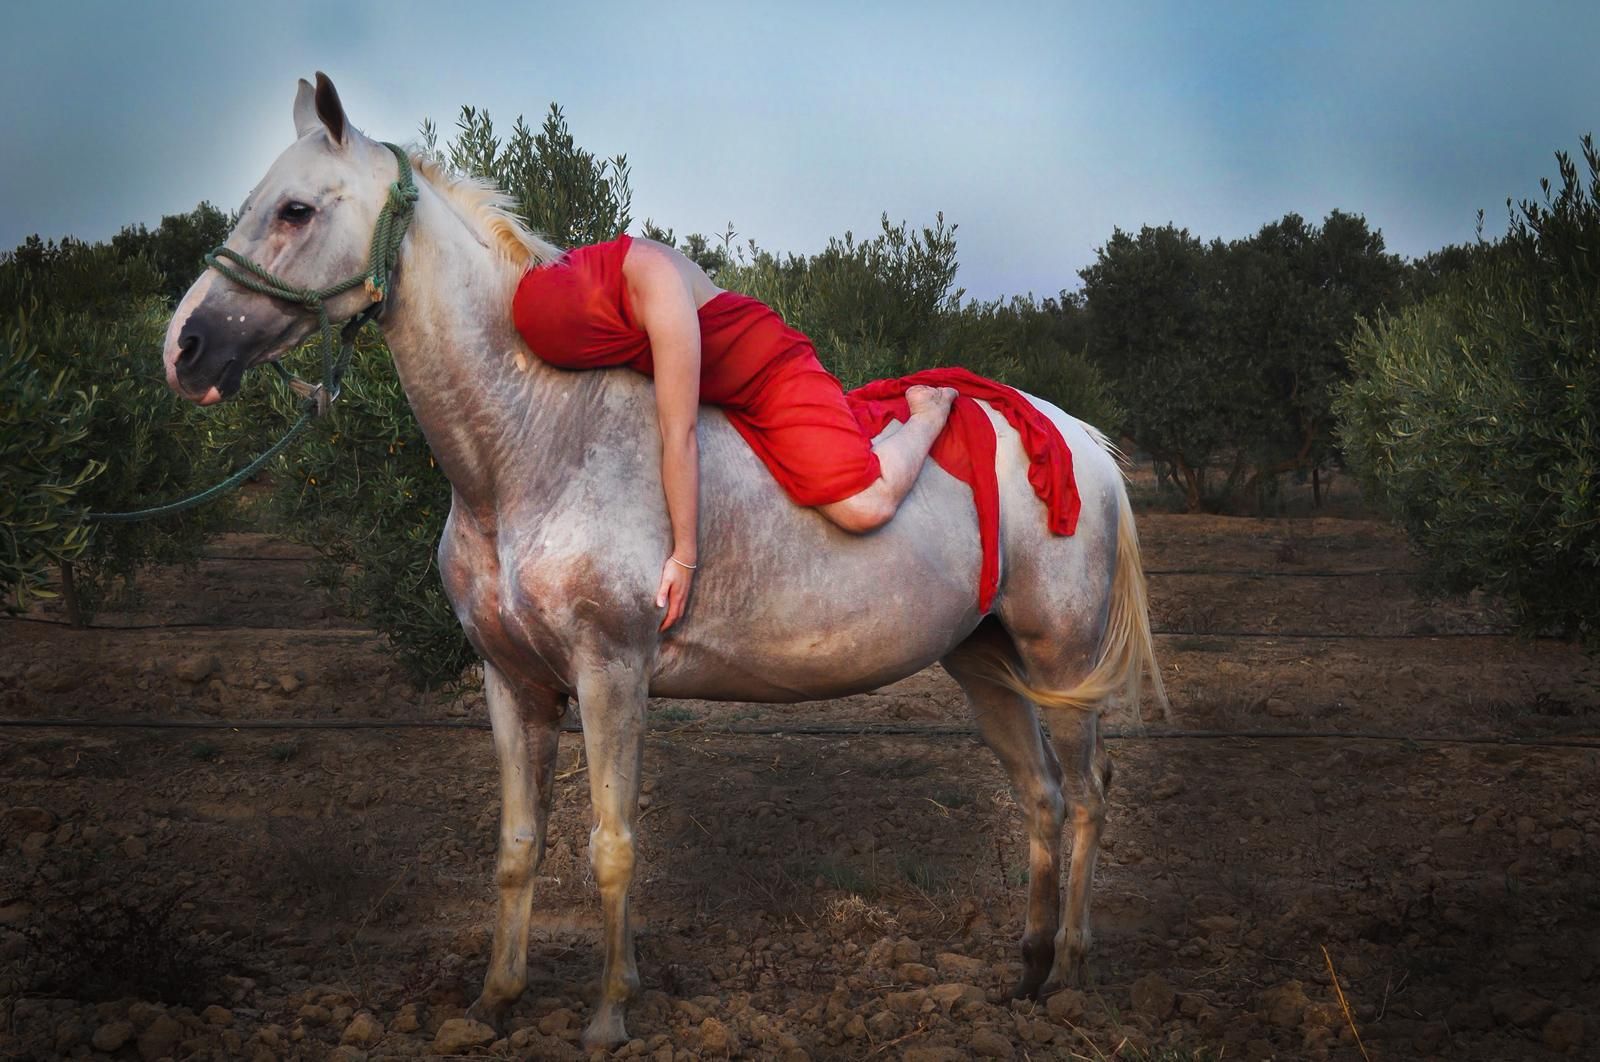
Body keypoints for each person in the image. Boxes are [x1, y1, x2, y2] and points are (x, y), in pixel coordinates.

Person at [513, 234, 958, 632]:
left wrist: (684, 556)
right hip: (723, 390)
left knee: (864, 506)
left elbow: (680, 433)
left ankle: (928, 415)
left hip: (773, 374)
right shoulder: (550, 285)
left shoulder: (656, 281)